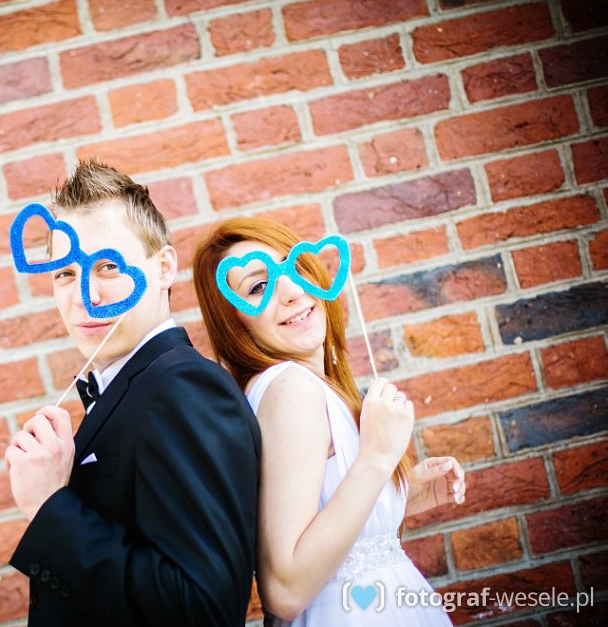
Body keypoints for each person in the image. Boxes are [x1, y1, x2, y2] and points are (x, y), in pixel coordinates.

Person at [5, 160, 261, 626]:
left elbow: (205, 611)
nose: (85, 295)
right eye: (64, 273)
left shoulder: (183, 389)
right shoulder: (129, 386)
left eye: (107, 266)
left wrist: (49, 506)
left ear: (163, 268)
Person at [192, 217, 465, 626]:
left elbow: (320, 533)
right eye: (258, 287)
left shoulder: (307, 387)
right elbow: (284, 590)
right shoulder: (292, 390)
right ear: (234, 323)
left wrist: (396, 496)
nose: (292, 290)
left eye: (294, 265)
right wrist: (376, 458)